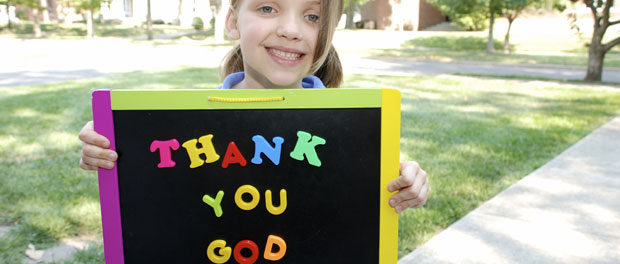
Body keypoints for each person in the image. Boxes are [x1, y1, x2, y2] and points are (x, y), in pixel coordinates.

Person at [79, 0, 429, 213]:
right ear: (232, 21)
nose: (291, 30)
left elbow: (360, 199)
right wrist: (117, 143)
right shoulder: (190, 125)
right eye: (267, 8)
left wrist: (407, 181)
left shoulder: (351, 130)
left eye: (313, 17)